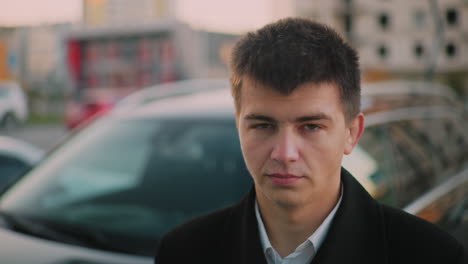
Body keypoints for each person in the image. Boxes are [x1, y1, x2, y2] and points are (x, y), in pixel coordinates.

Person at [154, 18, 467, 264]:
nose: (285, 153)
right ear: (239, 127)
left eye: (311, 127)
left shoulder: (430, 255)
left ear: (352, 133)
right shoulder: (183, 252)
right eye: (263, 125)